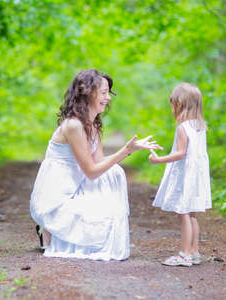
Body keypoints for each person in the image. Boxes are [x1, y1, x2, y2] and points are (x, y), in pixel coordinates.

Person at [30, 69, 162, 261]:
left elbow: (100, 163)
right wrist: (125, 150)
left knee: (114, 173)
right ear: (88, 92)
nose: (108, 98)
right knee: (98, 222)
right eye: (103, 92)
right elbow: (91, 171)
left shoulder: (92, 124)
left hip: (77, 184)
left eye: (109, 93)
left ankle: (62, 230)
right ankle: (48, 227)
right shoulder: (73, 125)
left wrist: (131, 149)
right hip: (57, 195)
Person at [149, 82, 211, 267]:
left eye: (173, 104)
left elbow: (181, 153)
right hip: (197, 176)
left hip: (186, 176)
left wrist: (158, 159)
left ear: (181, 104)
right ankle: (194, 252)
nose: (171, 109)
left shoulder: (183, 127)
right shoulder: (200, 127)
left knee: (182, 213)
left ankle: (184, 254)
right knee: (192, 214)